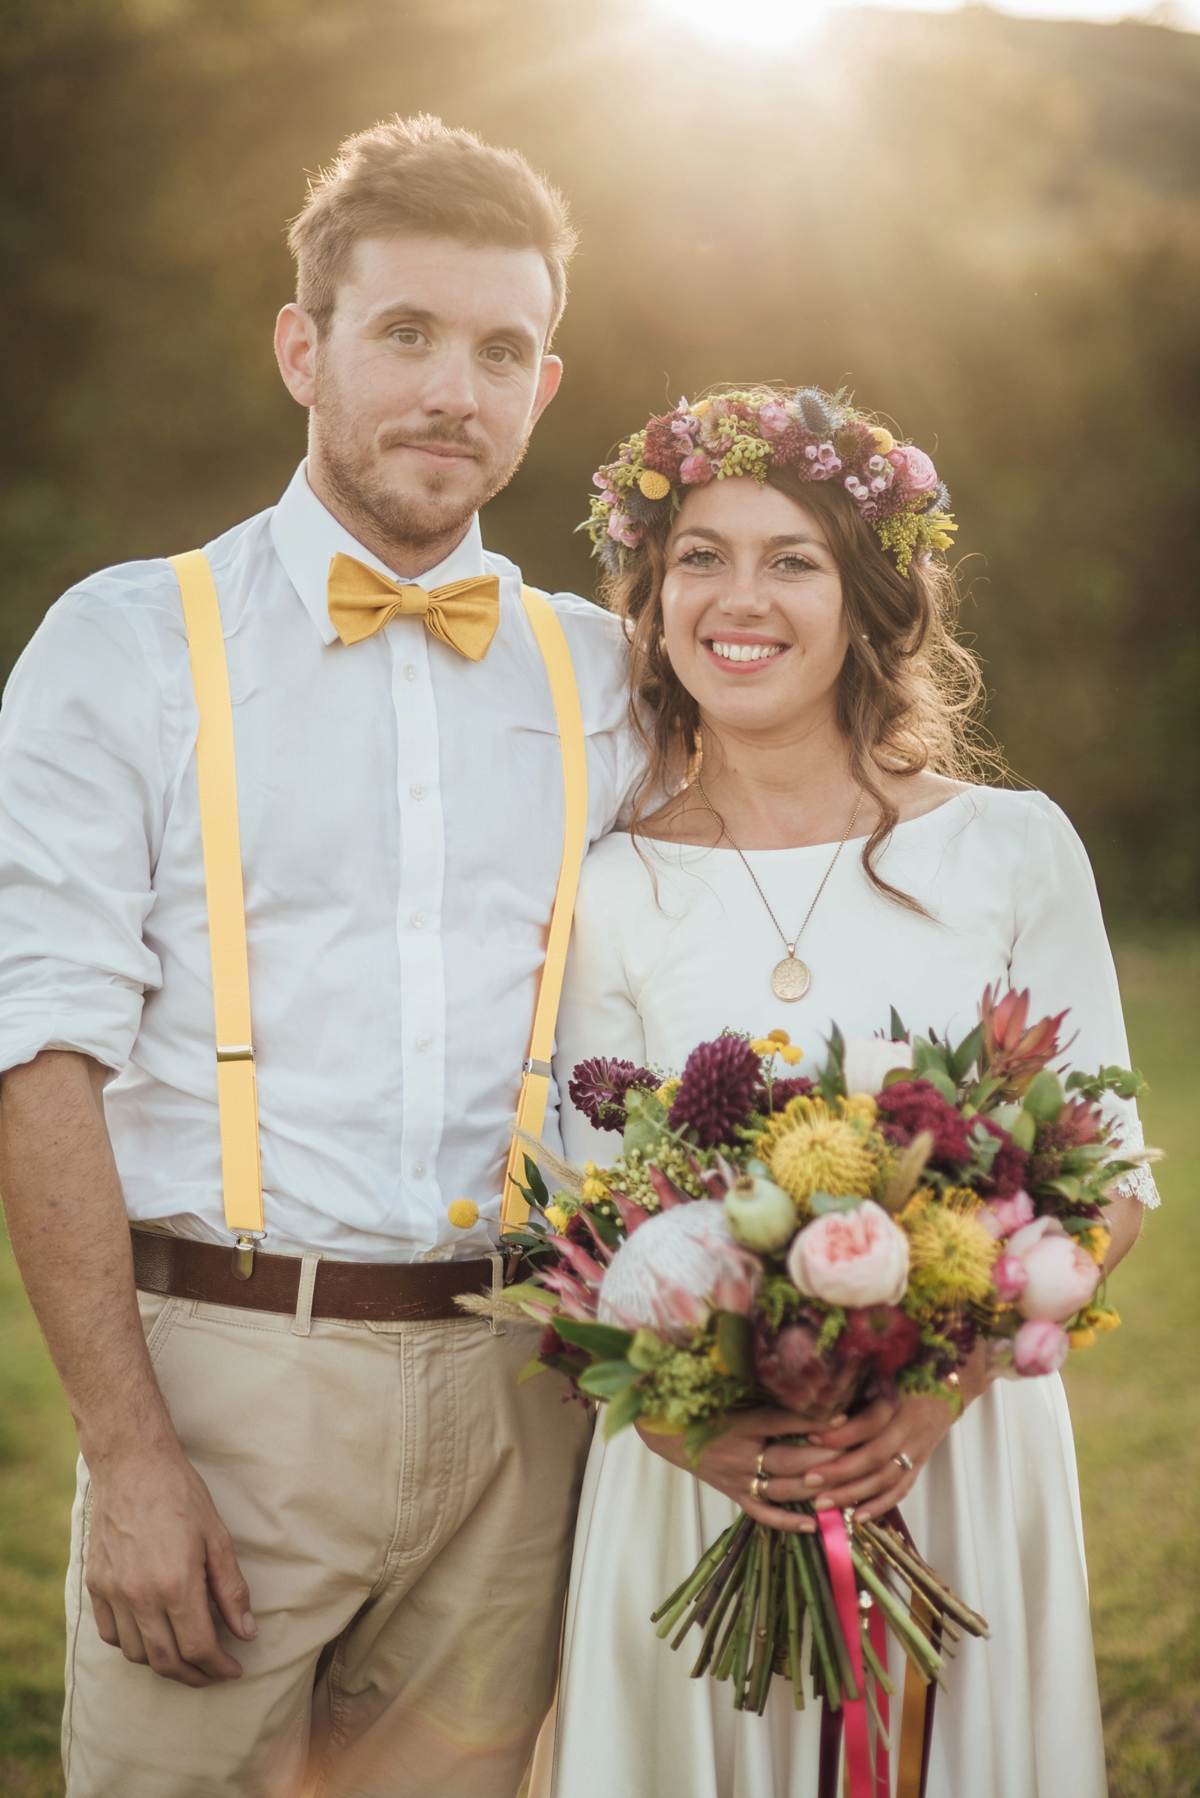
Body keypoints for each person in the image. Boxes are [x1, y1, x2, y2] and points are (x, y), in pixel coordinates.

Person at [0, 115, 639, 1798]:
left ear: (545, 384)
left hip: (526, 1392)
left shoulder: (605, 673)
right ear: (304, 347)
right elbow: (35, 1050)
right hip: (224, 1381)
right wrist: (130, 1455)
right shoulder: (124, 643)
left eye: (500, 350)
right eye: (406, 334)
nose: (454, 389)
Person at [535, 387, 1156, 1798]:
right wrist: (710, 1438)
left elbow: (1112, 1175)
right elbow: (577, 1225)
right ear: (651, 594)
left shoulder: (1011, 847)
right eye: (698, 554)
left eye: (790, 558)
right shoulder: (614, 882)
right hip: (698, 1473)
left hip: (956, 1453)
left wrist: (942, 1388)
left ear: (869, 599)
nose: (736, 598)